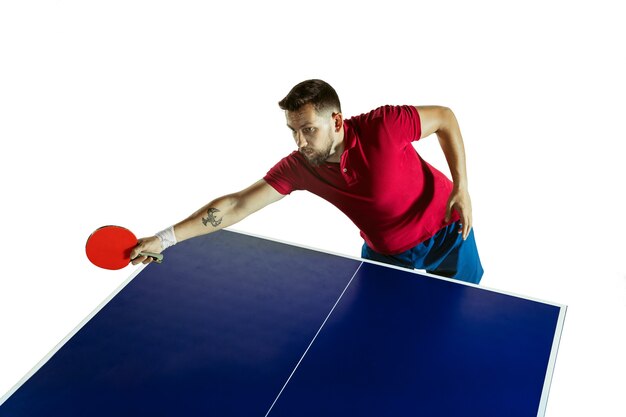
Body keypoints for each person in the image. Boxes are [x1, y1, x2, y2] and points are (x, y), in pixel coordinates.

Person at [131, 79, 483, 284]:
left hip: (447, 230)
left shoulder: (385, 125)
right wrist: (164, 239)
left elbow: (445, 119)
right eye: (293, 131)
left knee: (460, 313)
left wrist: (461, 187)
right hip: (385, 251)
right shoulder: (301, 167)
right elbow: (237, 205)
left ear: (338, 121)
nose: (300, 142)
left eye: (309, 130)